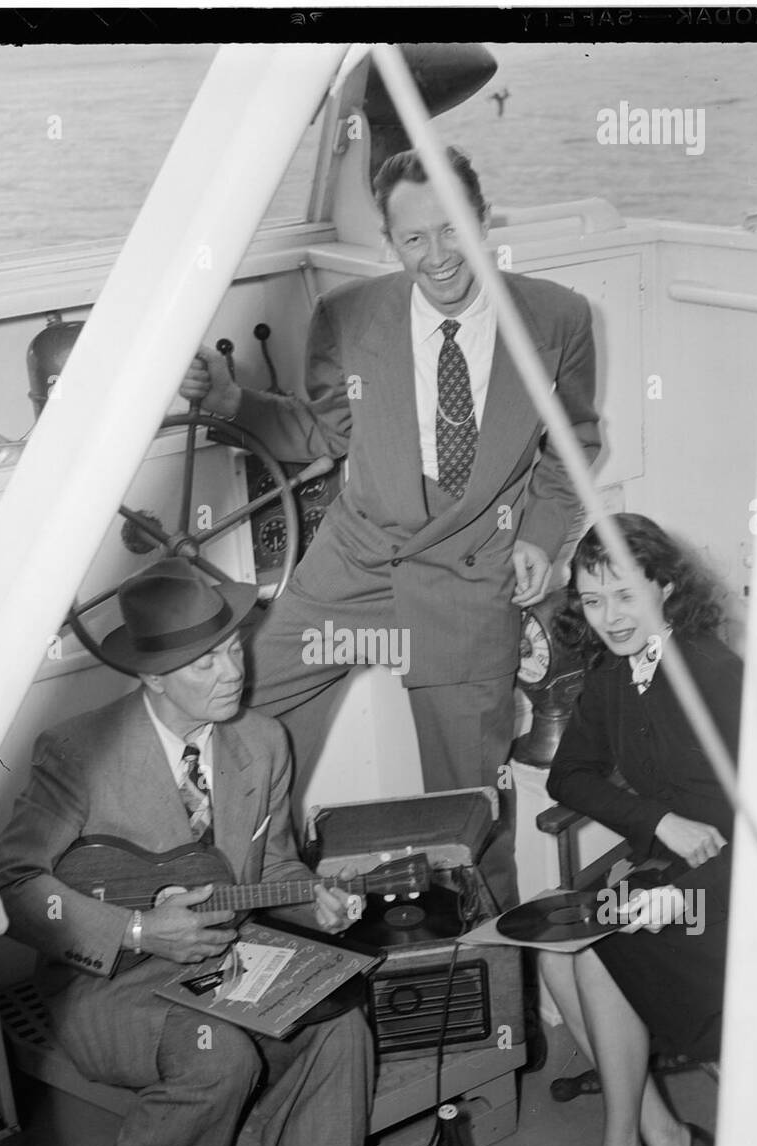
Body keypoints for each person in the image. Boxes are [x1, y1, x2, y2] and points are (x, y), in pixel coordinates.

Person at [180, 146, 600, 912]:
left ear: (482, 219)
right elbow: (322, 432)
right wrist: (235, 401)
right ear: (390, 242)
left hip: (471, 584)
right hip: (356, 567)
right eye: (414, 240)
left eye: (452, 231)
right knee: (243, 708)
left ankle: (490, 984)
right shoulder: (347, 318)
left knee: (470, 810)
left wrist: (540, 535)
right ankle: (262, 902)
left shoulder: (558, 320)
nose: (438, 257)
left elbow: (574, 450)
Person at [0, 558, 373, 1146]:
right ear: (154, 677)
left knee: (338, 1021)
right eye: (206, 663)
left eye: (233, 648)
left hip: (230, 956)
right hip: (106, 979)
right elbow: (13, 885)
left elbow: (278, 867)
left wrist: (316, 901)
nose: (233, 672)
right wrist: (135, 930)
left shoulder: (263, 742)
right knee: (218, 1054)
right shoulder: (79, 753)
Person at [542, 513, 742, 1146]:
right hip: (670, 867)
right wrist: (659, 823)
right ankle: (664, 1137)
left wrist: (691, 867)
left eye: (625, 595)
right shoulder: (611, 677)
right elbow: (570, 776)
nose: (611, 618)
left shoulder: (715, 673)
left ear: (663, 586)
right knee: (552, 953)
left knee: (594, 948)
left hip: (737, 887)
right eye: (593, 602)